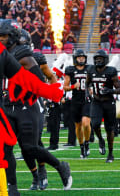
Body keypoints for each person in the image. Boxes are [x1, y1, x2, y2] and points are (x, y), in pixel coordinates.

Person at [0, 22, 71, 193]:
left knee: (30, 147)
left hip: (27, 106)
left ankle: (59, 166)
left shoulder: (25, 56)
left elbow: (37, 82)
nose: (2, 39)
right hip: (8, 106)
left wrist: (51, 93)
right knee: (6, 149)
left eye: (4, 36)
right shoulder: (5, 54)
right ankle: (12, 187)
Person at [85, 49, 120, 163]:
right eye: (96, 59)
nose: (98, 61)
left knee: (109, 129)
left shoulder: (111, 71)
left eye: (100, 59)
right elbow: (87, 83)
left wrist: (110, 90)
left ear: (105, 60)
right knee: (95, 124)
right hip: (96, 101)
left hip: (108, 102)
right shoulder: (91, 70)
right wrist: (87, 94)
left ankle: (110, 153)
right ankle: (101, 140)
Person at [63, 49, 92, 159]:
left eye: (83, 57)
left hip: (87, 99)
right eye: (79, 57)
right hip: (75, 100)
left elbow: (95, 82)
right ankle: (81, 146)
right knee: (78, 126)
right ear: (75, 58)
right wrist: (72, 87)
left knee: (86, 123)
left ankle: (87, 142)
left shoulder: (90, 69)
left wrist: (93, 88)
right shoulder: (70, 70)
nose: (81, 59)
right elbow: (65, 87)